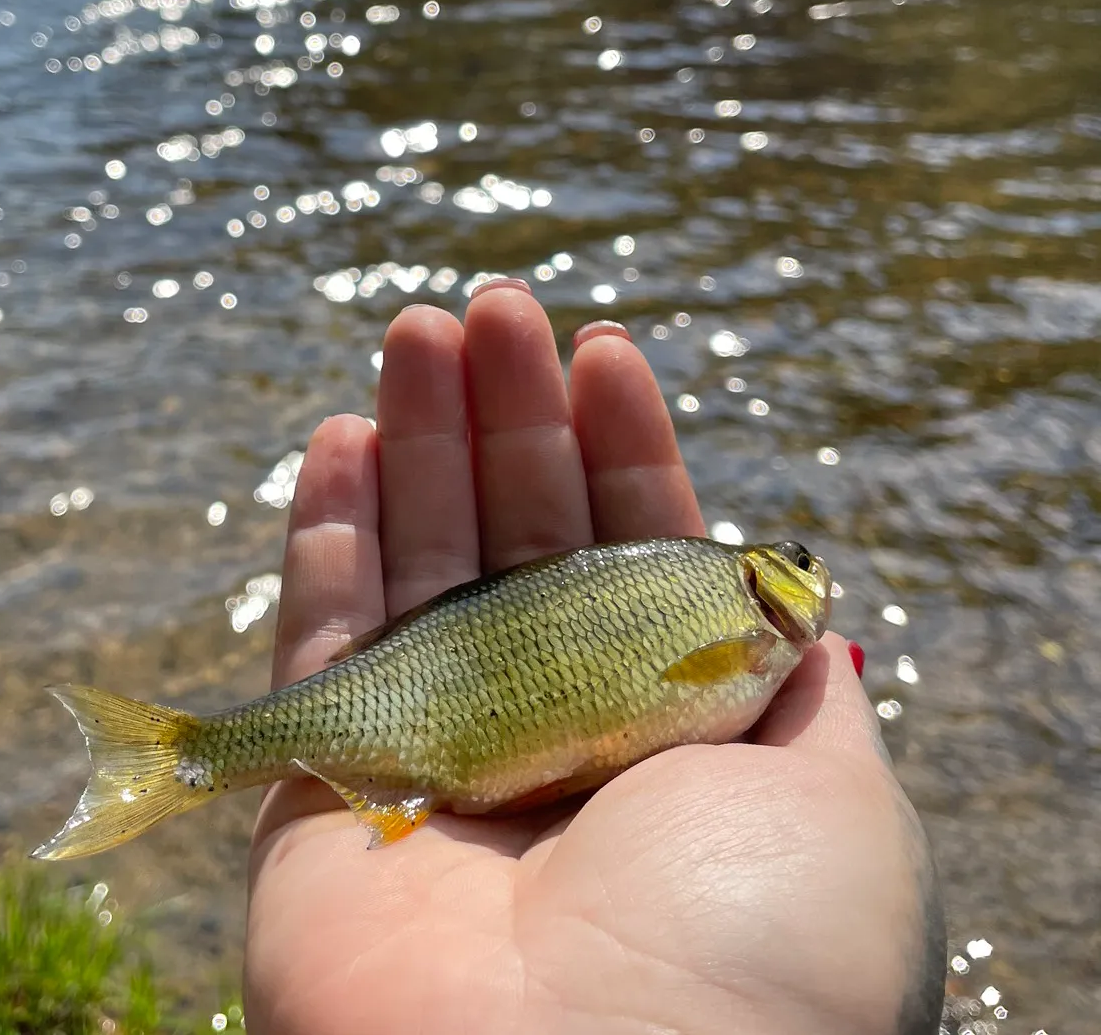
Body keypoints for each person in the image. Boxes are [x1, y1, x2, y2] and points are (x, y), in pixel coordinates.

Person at [244, 280, 946, 1035]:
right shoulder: (746, 613)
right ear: (764, 577)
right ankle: (200, 754)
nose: (816, 577)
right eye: (800, 562)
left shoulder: (739, 620)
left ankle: (209, 754)